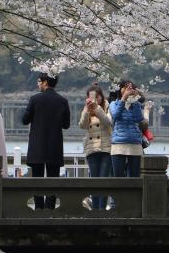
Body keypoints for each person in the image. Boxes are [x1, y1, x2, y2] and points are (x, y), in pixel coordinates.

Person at [22, 72, 70, 207]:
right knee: (53, 180)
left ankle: (38, 208)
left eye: (39, 81)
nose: (38, 84)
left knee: (37, 180)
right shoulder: (63, 101)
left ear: (45, 82)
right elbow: (66, 125)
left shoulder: (35, 99)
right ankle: (50, 209)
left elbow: (25, 120)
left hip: (37, 146)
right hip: (54, 146)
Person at [79, 84, 112, 209]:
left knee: (103, 180)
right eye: (91, 97)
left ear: (101, 97)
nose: (94, 99)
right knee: (94, 180)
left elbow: (107, 122)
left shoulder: (108, 106)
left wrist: (97, 108)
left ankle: (101, 209)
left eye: (97, 97)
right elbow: (82, 125)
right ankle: (95, 209)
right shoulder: (86, 108)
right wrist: (87, 110)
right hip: (92, 148)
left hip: (105, 148)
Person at [109, 80, 146, 177]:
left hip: (134, 142)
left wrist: (136, 101)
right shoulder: (114, 104)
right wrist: (124, 99)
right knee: (118, 176)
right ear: (120, 89)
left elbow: (139, 118)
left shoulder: (135, 104)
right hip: (118, 144)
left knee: (134, 177)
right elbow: (115, 115)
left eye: (130, 88)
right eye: (125, 87)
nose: (128, 90)